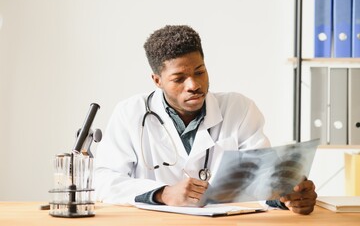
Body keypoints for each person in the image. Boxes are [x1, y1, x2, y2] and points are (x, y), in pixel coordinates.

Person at [94, 25, 317, 215]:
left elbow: (261, 179)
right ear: (157, 80)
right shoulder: (130, 113)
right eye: (179, 78)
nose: (193, 85)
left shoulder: (239, 108)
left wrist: (287, 196)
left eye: (199, 72)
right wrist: (163, 193)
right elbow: (103, 181)